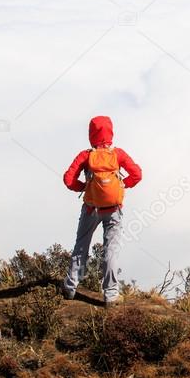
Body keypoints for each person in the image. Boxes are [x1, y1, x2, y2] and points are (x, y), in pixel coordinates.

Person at [62, 115, 142, 306]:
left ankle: (70, 287)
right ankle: (111, 295)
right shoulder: (118, 154)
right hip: (113, 209)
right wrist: (124, 184)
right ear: (111, 132)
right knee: (111, 250)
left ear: (91, 133)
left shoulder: (86, 155)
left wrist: (83, 187)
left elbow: (68, 179)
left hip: (91, 208)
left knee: (81, 246)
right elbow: (137, 174)